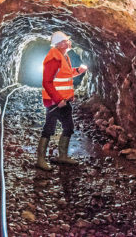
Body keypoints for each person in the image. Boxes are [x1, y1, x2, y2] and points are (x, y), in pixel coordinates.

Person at [36, 31, 88, 171]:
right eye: (66, 41)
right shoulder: (53, 58)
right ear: (59, 44)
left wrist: (78, 71)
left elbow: (64, 73)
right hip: (55, 102)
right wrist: (58, 99)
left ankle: (62, 156)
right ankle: (40, 159)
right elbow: (47, 82)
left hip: (64, 100)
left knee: (69, 127)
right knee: (49, 128)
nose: (69, 42)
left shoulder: (64, 56)